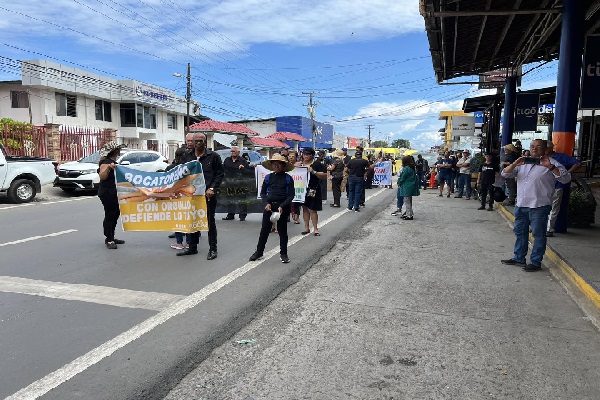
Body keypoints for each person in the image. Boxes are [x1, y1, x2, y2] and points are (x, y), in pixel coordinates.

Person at [500, 139, 570, 272]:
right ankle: (518, 257)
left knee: (538, 235)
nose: (534, 149)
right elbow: (505, 174)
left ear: (546, 149)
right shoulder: (523, 163)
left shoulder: (553, 163)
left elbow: (565, 179)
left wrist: (550, 167)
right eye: (532, 146)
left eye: (538, 147)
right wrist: (515, 164)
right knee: (520, 232)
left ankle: (535, 262)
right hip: (521, 204)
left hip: (539, 206)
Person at [178, 132, 224, 259]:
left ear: (205, 142)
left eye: (201, 141)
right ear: (192, 142)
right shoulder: (187, 156)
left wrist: (212, 188)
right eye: (196, 140)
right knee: (192, 220)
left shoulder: (213, 156)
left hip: (208, 195)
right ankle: (192, 248)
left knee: (209, 221)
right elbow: (180, 172)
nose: (198, 143)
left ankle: (213, 249)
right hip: (192, 195)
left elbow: (220, 174)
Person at [248, 154, 295, 264]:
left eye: (278, 164)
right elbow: (263, 193)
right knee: (264, 230)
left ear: (283, 166)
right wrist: (266, 203)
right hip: (269, 207)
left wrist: (282, 206)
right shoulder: (268, 177)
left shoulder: (288, 178)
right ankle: (259, 252)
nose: (276, 166)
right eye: (274, 164)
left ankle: (284, 254)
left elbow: (290, 196)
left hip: (282, 208)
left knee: (282, 231)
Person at [545, 140, 581, 237]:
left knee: (554, 208)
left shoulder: (560, 157)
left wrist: (568, 172)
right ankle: (539, 226)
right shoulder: (541, 158)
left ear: (549, 148)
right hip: (544, 186)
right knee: (542, 206)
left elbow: (577, 163)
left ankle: (549, 229)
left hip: (558, 185)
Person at [97, 141, 126, 249]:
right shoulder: (106, 162)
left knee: (115, 213)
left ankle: (111, 236)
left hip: (114, 192)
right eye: (118, 149)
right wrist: (109, 168)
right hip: (107, 192)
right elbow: (102, 177)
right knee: (110, 214)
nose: (120, 151)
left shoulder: (113, 161)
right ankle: (109, 239)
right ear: (115, 151)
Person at [299, 147, 328, 235]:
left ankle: (315, 229)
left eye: (307, 154)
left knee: (312, 209)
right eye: (304, 154)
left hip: (313, 188)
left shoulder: (317, 164)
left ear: (312, 155)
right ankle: (306, 227)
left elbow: (325, 175)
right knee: (304, 208)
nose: (305, 156)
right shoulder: (300, 164)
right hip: (302, 189)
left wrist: (314, 172)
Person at [166, 146, 191, 249]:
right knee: (188, 220)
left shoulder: (170, 168)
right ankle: (189, 242)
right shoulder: (190, 168)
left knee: (177, 219)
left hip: (175, 197)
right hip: (187, 196)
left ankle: (179, 242)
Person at [222, 146, 250, 222]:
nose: (232, 153)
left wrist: (243, 168)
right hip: (229, 183)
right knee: (230, 199)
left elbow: (248, 172)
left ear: (238, 152)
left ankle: (242, 215)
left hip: (240, 183)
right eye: (231, 151)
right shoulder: (227, 160)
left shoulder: (243, 161)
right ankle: (230, 214)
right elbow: (223, 170)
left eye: (234, 151)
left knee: (241, 199)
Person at [396, 155, 420, 220]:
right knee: (409, 201)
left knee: (407, 201)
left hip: (407, 186)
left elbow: (403, 177)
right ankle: (409, 213)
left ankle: (409, 215)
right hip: (410, 186)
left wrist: (399, 182)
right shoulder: (411, 168)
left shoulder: (406, 168)